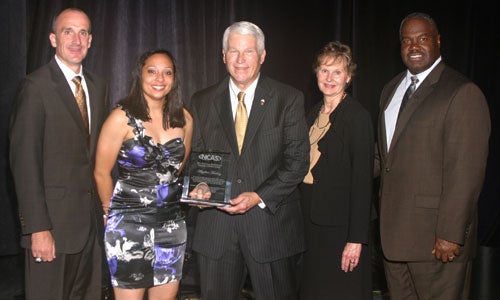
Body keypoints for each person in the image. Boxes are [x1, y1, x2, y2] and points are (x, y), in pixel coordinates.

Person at [188, 21, 310, 299]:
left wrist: (259, 196)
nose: (240, 59)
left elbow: (298, 161)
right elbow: (198, 158)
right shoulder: (202, 101)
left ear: (263, 56)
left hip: (271, 230)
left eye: (249, 52)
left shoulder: (287, 98)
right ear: (223, 56)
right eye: (233, 51)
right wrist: (201, 188)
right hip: (216, 232)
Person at [375, 12, 490, 300]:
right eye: (406, 41)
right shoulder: (391, 89)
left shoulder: (462, 92)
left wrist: (451, 233)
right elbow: (383, 157)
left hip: (436, 242)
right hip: (394, 239)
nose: (414, 46)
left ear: (438, 41)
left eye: (422, 38)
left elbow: (466, 170)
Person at [9, 8, 109, 300]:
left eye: (83, 33)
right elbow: (24, 165)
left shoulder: (98, 86)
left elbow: (96, 158)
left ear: (90, 40)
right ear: (53, 39)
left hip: (89, 231)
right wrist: (38, 229)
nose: (76, 40)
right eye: (68, 31)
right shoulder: (35, 87)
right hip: (50, 230)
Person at [94, 49, 192, 300]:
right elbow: (101, 172)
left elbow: (178, 169)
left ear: (174, 79)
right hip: (128, 227)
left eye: (167, 72)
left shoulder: (184, 119)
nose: (159, 78)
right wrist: (109, 211)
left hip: (171, 226)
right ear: (140, 74)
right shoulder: (120, 119)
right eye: (152, 71)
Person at [299, 41, 374, 299]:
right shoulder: (312, 114)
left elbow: (363, 182)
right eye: (324, 70)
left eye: (337, 72)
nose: (329, 78)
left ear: (349, 77)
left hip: (340, 229)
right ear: (316, 74)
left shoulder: (357, 117)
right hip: (311, 222)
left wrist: (356, 239)